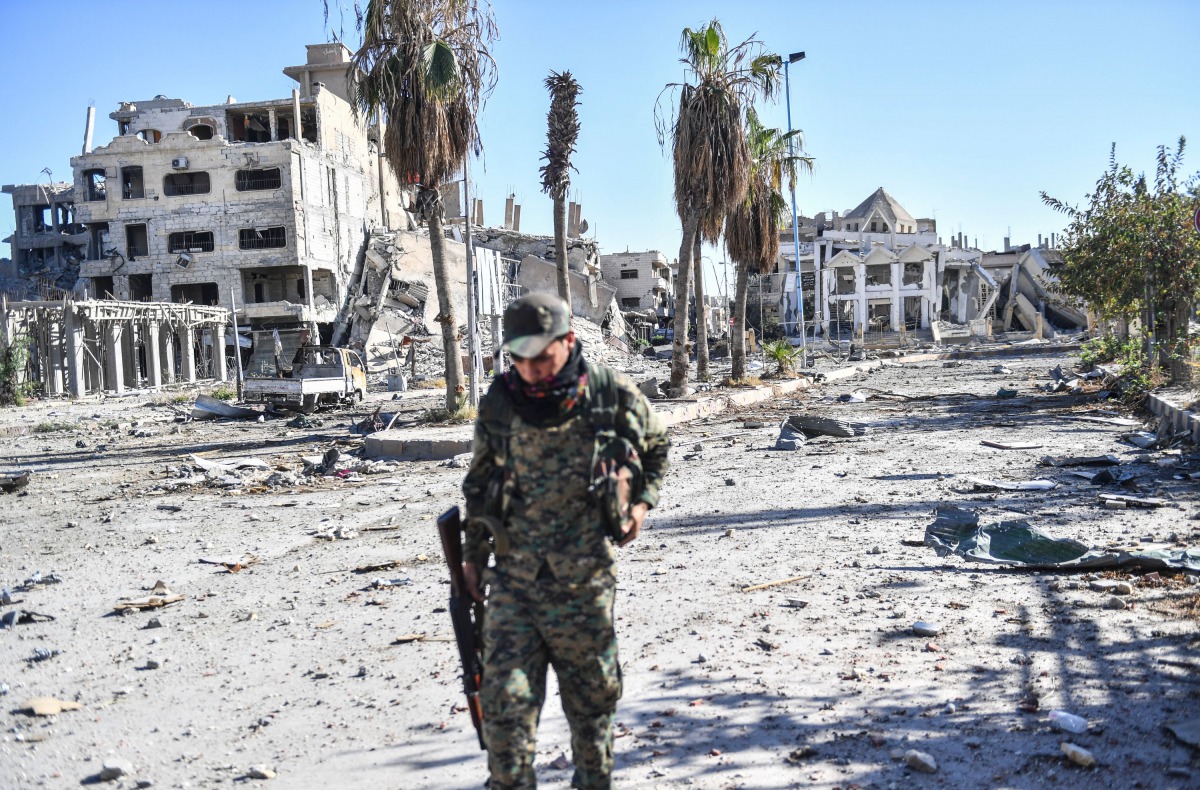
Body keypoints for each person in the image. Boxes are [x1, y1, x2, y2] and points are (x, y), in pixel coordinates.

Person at [462, 292, 670, 789]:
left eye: (542, 354)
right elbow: (479, 484)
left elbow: (658, 445)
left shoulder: (607, 393)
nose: (531, 368)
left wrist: (641, 504)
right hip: (514, 584)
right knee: (504, 716)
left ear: (569, 340)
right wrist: (471, 557)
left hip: (584, 584)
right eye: (519, 357)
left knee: (593, 714)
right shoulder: (500, 401)